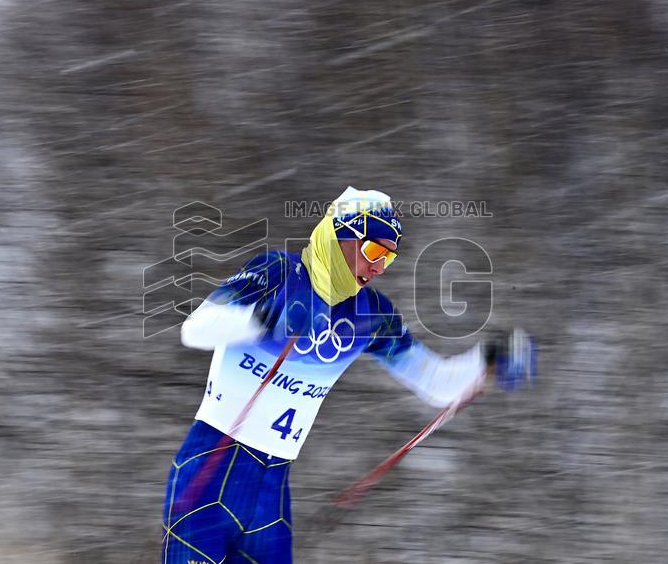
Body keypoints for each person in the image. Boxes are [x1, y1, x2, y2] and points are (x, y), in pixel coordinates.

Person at [161, 187, 536, 564]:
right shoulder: (278, 271)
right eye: (374, 251)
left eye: (388, 258)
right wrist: (265, 319)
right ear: (340, 236)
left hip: (270, 494)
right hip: (210, 469)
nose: (378, 267)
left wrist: (488, 360)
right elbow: (196, 329)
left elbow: (434, 382)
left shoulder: (371, 314)